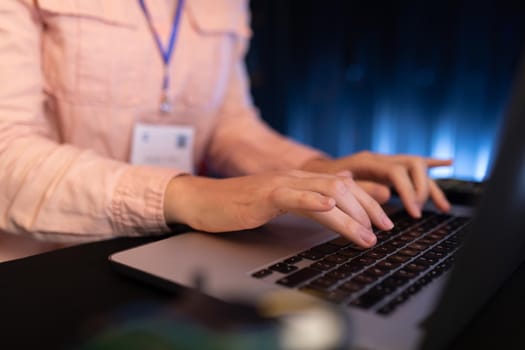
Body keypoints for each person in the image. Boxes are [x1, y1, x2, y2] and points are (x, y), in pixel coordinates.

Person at [0, 0, 451, 259]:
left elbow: (228, 125)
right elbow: (7, 151)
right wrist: (195, 195)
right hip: (45, 261)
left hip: (174, 251)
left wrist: (317, 171)